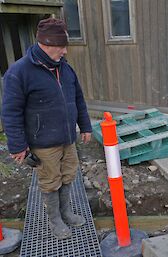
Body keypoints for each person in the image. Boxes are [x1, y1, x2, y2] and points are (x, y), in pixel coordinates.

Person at [1, 18, 92, 239]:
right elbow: (10, 112)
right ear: (46, 44)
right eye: (61, 46)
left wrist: (85, 126)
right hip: (43, 142)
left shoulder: (66, 69)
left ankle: (66, 212)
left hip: (67, 138)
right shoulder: (20, 72)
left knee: (69, 175)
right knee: (50, 181)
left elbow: (78, 99)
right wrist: (17, 145)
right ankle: (55, 221)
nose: (65, 51)